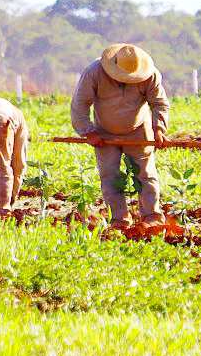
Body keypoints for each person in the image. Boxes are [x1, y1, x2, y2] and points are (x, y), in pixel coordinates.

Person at [71, 43, 170, 230]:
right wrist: (88, 131)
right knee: (109, 174)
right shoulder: (94, 72)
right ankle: (119, 219)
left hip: (139, 129)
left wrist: (159, 128)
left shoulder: (150, 75)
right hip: (104, 132)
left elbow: (159, 103)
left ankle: (152, 216)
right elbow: (80, 104)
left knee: (146, 173)